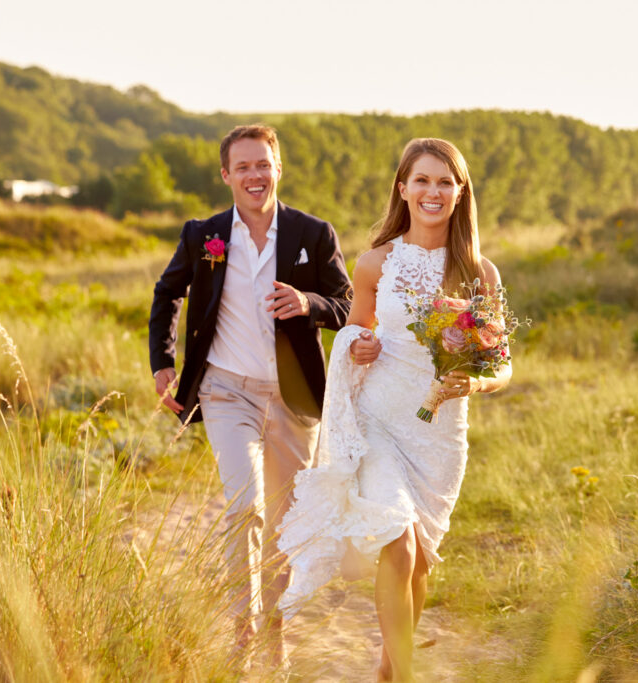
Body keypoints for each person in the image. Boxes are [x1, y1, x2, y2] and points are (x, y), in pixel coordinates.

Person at [278, 138, 512, 682]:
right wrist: (358, 347)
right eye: (422, 180)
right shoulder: (375, 263)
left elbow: (501, 367)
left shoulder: (480, 273)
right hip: (379, 417)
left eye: (444, 182)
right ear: (403, 189)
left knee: (422, 557)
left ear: (460, 193)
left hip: (439, 432)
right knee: (398, 538)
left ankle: (387, 669)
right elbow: (358, 332)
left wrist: (472, 387)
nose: (433, 191)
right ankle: (406, 677)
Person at [147, 124, 352, 669]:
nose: (255, 175)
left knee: (287, 518)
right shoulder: (204, 236)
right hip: (225, 391)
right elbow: (167, 293)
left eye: (263, 164)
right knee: (245, 506)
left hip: (295, 397)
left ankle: (277, 626)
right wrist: (162, 363)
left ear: (278, 167)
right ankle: (245, 623)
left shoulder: (314, 233)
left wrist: (308, 302)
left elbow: (347, 306)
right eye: (243, 167)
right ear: (226, 175)